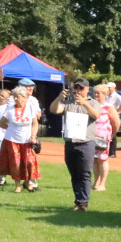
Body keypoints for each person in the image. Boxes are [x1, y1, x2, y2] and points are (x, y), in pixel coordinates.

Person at [49, 78, 101, 211]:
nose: (78, 91)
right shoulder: (68, 103)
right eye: (76, 88)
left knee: (84, 173)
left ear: (87, 89)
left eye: (81, 88)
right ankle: (78, 201)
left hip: (86, 142)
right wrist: (59, 97)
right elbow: (54, 109)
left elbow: (96, 115)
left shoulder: (93, 102)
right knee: (74, 173)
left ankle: (83, 202)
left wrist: (84, 103)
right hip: (71, 142)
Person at [0, 85, 40, 193]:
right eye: (14, 97)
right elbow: (1, 123)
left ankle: (28, 183)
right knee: (15, 163)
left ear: (24, 97)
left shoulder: (30, 107)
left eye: (18, 97)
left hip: (27, 141)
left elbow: (35, 124)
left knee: (29, 162)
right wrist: (10, 128)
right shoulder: (10, 109)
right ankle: (18, 185)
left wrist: (33, 136)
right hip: (11, 140)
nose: (16, 99)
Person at [91, 84, 121, 191]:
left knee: (102, 160)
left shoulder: (109, 107)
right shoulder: (92, 105)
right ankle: (96, 182)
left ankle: (102, 184)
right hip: (92, 136)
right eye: (95, 92)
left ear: (104, 94)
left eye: (98, 93)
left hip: (103, 137)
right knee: (94, 160)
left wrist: (111, 135)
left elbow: (116, 124)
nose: (95, 95)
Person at [105, 81, 121, 157]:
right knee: (107, 132)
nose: (108, 89)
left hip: (113, 116)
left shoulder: (117, 96)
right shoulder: (107, 96)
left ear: (114, 88)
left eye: (109, 88)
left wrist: (117, 111)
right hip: (107, 116)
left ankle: (112, 152)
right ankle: (107, 150)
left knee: (113, 133)